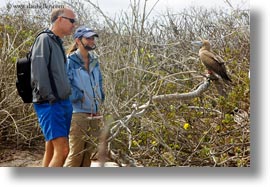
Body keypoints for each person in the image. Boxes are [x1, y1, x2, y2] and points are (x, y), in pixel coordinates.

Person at [31, 7, 76, 167]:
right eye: (72, 20)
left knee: (51, 148)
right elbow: (38, 73)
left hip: (62, 102)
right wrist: (50, 98)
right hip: (50, 103)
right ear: (60, 19)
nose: (74, 24)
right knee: (63, 150)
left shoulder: (56, 42)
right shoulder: (44, 39)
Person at [64, 26, 105, 167]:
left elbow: (99, 82)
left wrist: (100, 99)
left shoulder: (95, 60)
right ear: (78, 40)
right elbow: (63, 84)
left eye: (93, 38)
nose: (92, 41)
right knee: (76, 154)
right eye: (88, 38)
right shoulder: (69, 61)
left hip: (94, 112)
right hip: (77, 112)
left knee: (88, 155)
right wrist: (78, 96)